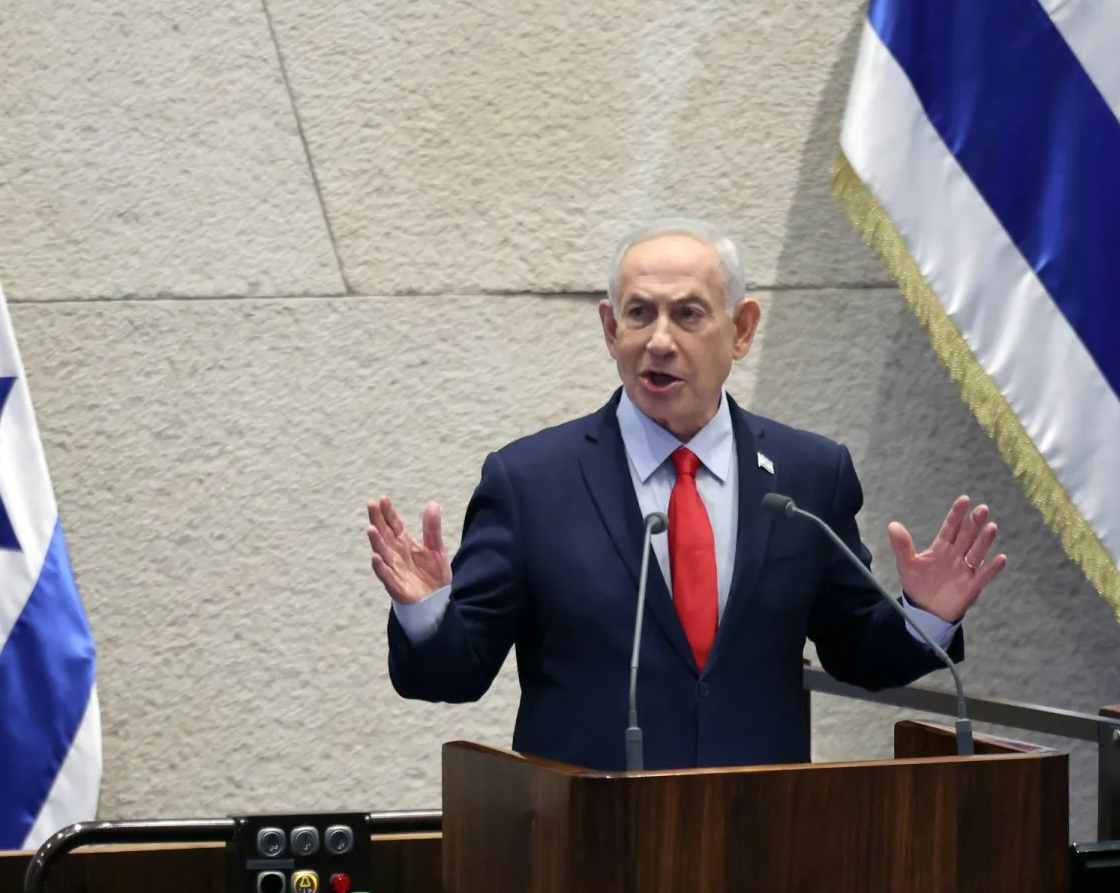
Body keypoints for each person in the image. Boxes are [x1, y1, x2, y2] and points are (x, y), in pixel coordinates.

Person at [365, 219, 1008, 771]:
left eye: (688, 313)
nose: (660, 340)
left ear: (743, 329)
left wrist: (926, 613)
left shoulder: (809, 474)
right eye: (639, 313)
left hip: (760, 840)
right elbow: (456, 674)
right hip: (587, 840)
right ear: (610, 329)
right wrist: (426, 614)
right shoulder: (532, 481)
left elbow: (858, 652)